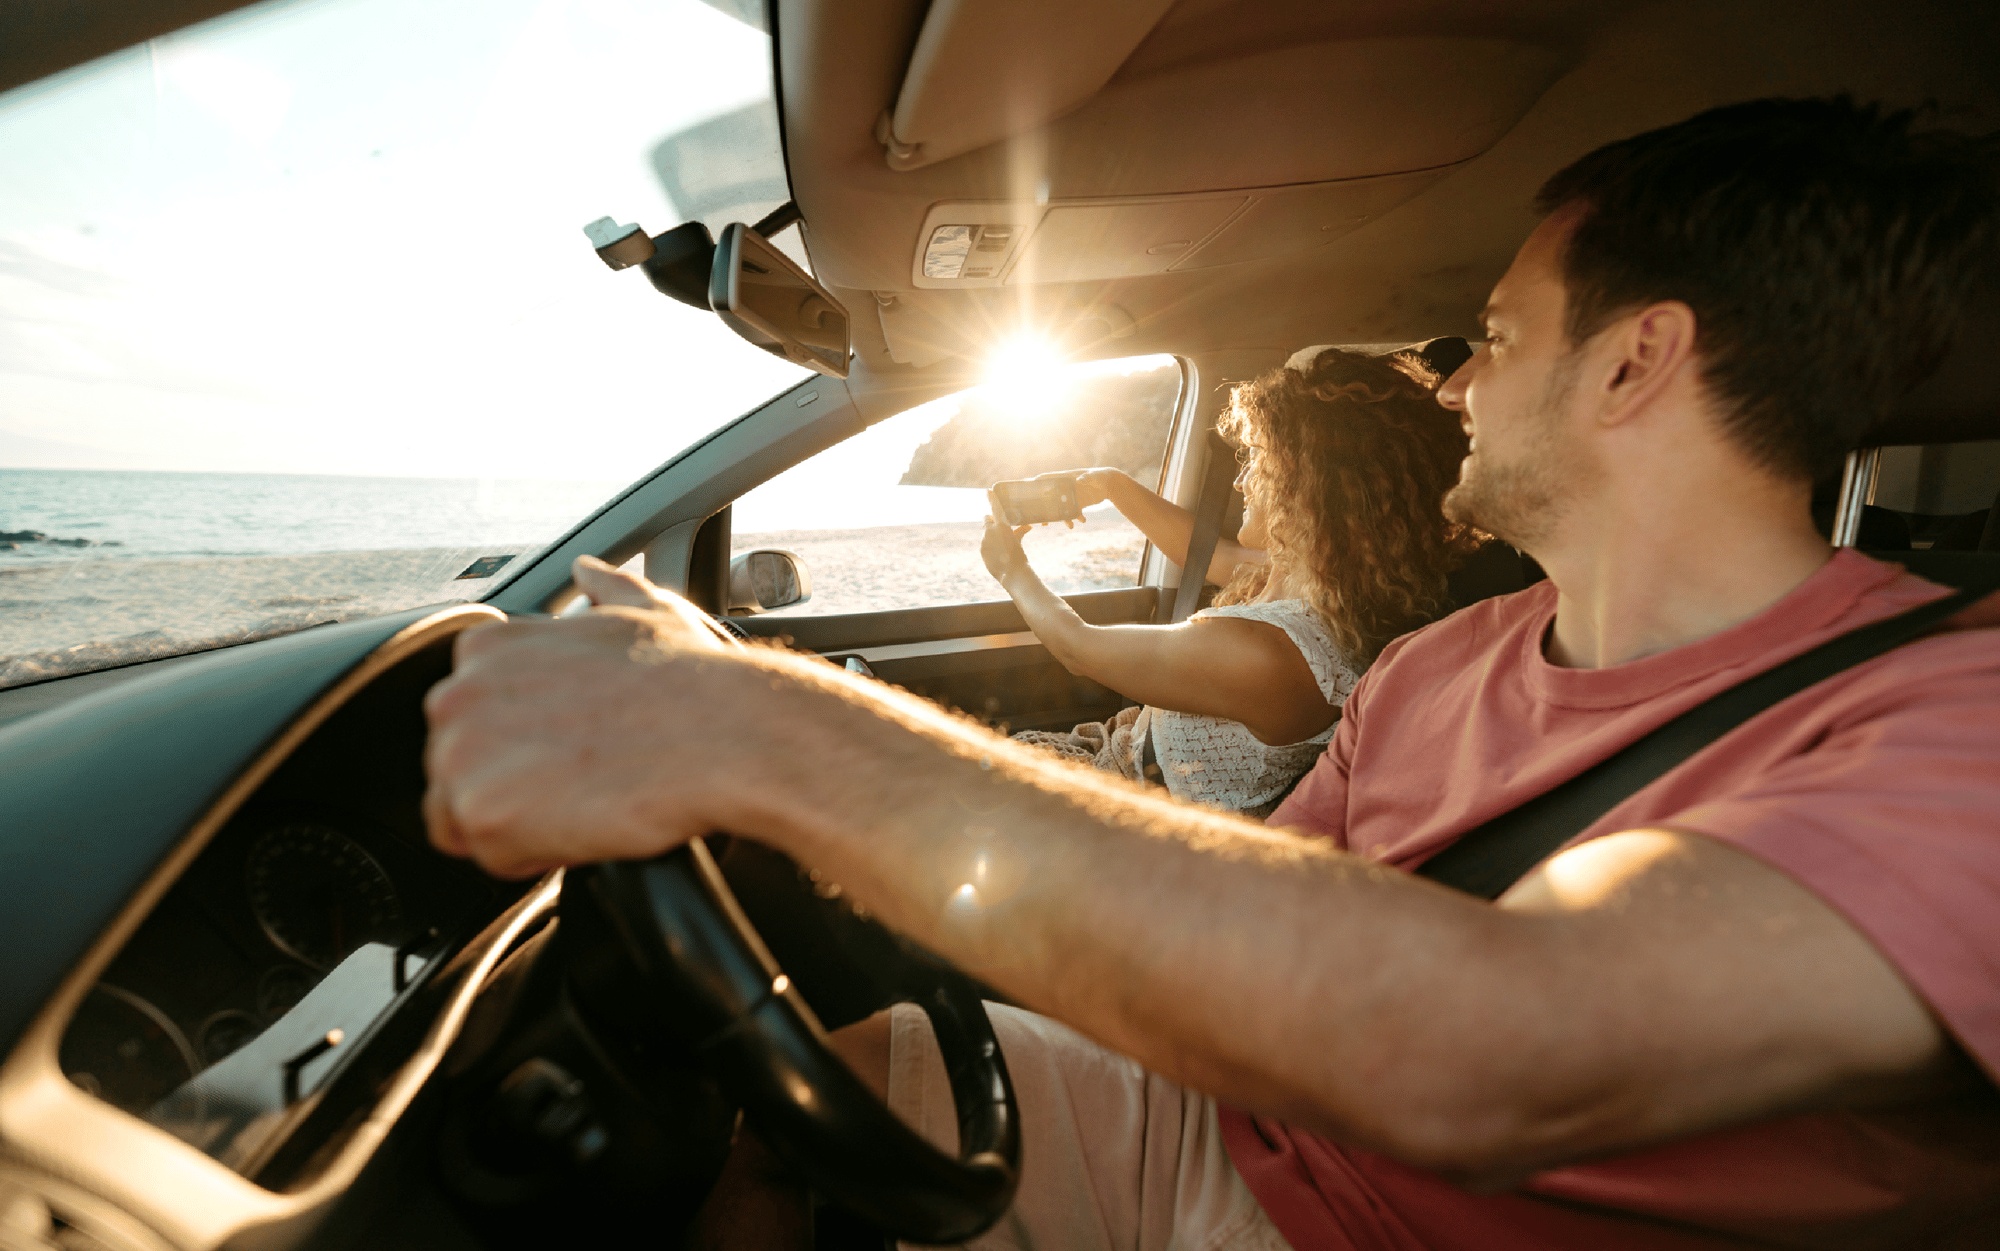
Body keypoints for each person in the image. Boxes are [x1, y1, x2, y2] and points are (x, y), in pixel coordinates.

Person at [422, 96, 2000, 1248]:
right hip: (1246, 1129)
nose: (1454, 380)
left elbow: (1509, 1051)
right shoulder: (1441, 662)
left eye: (1496, 336)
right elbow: (1242, 904)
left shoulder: (1954, 718)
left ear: (1635, 360)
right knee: (824, 1097)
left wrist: (768, 731)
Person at [982, 347, 1477, 814]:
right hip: (1118, 754)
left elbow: (1077, 648)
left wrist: (1010, 570)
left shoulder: (1269, 657)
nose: (1241, 481)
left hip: (1132, 811)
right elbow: (1208, 556)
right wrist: (1110, 484)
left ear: (1309, 488)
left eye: (1258, 460)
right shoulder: (1322, 585)